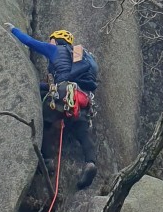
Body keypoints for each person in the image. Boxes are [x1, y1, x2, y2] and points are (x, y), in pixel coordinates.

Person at [7, 24, 98, 188]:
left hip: (64, 93)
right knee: (82, 132)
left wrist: (13, 29)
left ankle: (47, 160)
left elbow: (30, 42)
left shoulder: (55, 49)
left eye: (51, 40)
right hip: (82, 97)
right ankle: (90, 163)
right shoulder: (80, 56)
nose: (50, 43)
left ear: (56, 40)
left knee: (47, 121)